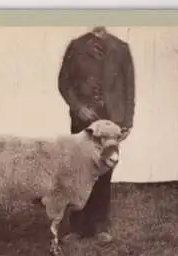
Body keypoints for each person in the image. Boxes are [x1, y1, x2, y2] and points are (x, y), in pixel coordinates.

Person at [57, 26, 136, 240]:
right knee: (80, 171)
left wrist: (127, 121)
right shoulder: (76, 46)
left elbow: (129, 88)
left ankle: (100, 225)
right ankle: (77, 226)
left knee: (104, 170)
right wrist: (77, 107)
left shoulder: (121, 48)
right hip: (84, 119)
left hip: (112, 120)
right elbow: (64, 82)